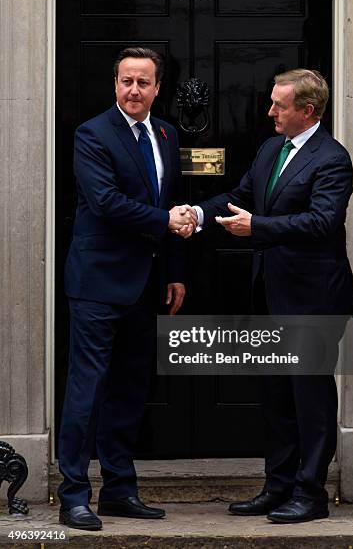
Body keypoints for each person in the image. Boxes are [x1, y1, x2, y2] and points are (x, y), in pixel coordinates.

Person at [184, 69, 353, 523]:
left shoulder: (332, 159)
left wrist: (257, 228)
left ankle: (311, 494)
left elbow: (322, 222)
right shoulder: (270, 149)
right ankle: (278, 487)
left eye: (279, 105)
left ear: (307, 110)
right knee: (277, 398)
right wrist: (198, 213)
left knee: (310, 400)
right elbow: (241, 195)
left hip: (313, 299)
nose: (270, 112)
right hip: (270, 295)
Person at [58, 47, 197, 531]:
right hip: (98, 283)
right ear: (114, 84)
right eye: (125, 81)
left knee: (130, 391)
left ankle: (119, 490)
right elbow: (107, 202)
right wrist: (167, 220)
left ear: (158, 88)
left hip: (148, 284)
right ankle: (74, 494)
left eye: (142, 82)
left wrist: (176, 270)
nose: (133, 90)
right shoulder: (92, 134)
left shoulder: (166, 133)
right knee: (87, 389)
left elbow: (174, 200)